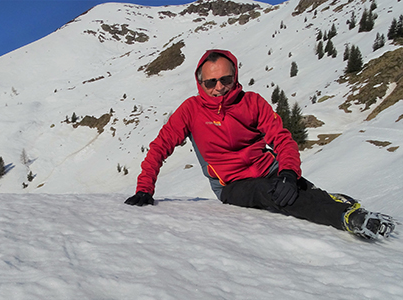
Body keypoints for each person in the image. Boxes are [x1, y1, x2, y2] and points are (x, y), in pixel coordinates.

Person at [125, 49, 396, 240]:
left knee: (297, 190)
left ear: (235, 75)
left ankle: (340, 204)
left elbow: (281, 139)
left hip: (271, 169)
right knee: (274, 193)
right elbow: (160, 147)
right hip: (232, 186)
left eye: (225, 79)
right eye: (211, 82)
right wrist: (144, 188)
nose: (219, 87)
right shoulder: (191, 110)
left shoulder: (251, 102)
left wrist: (289, 173)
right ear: (200, 83)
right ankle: (348, 219)